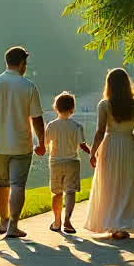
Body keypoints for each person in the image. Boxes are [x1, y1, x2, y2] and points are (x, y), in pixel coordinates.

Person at [0, 46, 46, 238]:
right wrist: (42, 141)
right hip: (21, 145)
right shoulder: (29, 87)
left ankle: (3, 220)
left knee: (1, 183)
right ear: (22, 64)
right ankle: (13, 225)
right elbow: (37, 119)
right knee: (17, 185)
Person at [84, 68, 134, 240]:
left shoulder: (104, 105)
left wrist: (93, 152)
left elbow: (100, 132)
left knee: (110, 184)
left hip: (111, 145)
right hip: (129, 145)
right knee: (128, 185)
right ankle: (124, 224)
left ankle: (113, 223)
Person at [45, 92, 92, 234]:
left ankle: (57, 221)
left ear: (56, 108)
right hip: (72, 161)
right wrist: (93, 153)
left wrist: (38, 148)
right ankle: (67, 220)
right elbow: (82, 145)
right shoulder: (77, 126)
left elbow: (45, 143)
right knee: (70, 192)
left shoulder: (52, 126)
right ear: (72, 109)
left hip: (56, 162)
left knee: (57, 192)